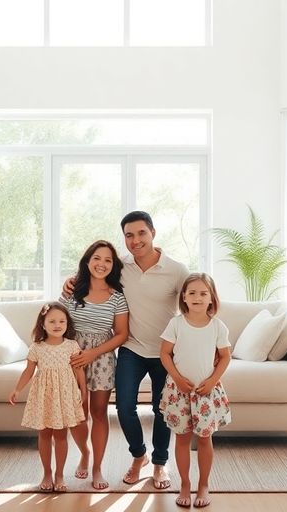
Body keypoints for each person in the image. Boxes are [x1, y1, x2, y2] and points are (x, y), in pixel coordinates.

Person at [64, 211, 189, 489]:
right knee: (123, 408)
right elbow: (96, 270)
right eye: (129, 235)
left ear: (153, 233)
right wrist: (70, 280)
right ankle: (138, 456)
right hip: (131, 349)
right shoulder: (122, 267)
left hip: (166, 352)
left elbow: (194, 301)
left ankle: (159, 464)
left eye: (141, 233)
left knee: (162, 410)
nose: (135, 240)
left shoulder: (177, 270)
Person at [59, 240, 130, 490]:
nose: (102, 264)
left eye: (108, 260)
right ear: (87, 261)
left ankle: (97, 467)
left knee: (99, 414)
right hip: (72, 357)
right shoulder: (71, 291)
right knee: (77, 413)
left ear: (114, 265)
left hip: (102, 358)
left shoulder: (117, 296)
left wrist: (93, 354)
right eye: (97, 258)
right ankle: (84, 454)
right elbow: (58, 322)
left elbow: (121, 334)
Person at [159, 273, 232, 508]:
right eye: (192, 293)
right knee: (181, 439)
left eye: (203, 293)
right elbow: (164, 354)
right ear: (184, 297)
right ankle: (184, 483)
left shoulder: (217, 326)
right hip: (179, 391)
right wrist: (178, 379)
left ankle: (203, 484)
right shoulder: (176, 323)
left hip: (206, 392)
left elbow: (225, 356)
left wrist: (212, 381)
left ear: (211, 298)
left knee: (204, 438)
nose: (197, 297)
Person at [8, 302, 88, 493]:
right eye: (52, 321)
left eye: (62, 321)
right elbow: (28, 371)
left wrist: (83, 390)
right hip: (44, 396)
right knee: (44, 434)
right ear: (43, 324)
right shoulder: (37, 347)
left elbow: (78, 370)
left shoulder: (71, 345)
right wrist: (17, 389)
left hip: (65, 396)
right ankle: (46, 473)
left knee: (61, 435)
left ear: (67, 324)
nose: (57, 325)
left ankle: (59, 475)